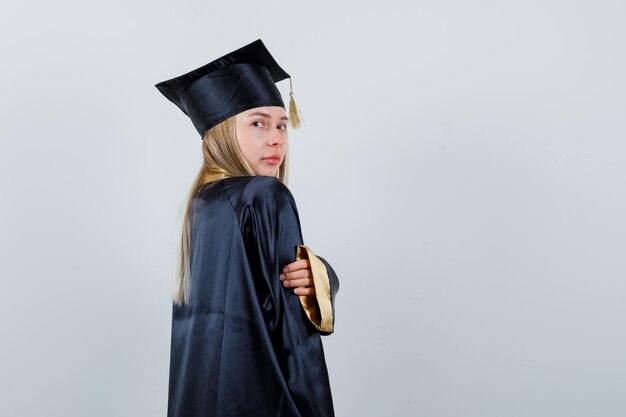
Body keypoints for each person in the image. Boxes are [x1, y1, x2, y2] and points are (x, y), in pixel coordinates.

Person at [155, 39, 339, 417]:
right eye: (258, 123)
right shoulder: (265, 196)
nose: (276, 138)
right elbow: (295, 338)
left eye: (282, 125)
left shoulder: (199, 207)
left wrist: (319, 273)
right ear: (221, 132)